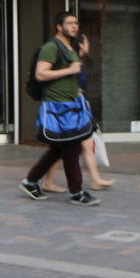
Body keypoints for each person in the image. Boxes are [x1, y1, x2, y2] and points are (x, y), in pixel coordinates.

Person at [20, 12, 100, 206]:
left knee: (60, 149)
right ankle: (77, 192)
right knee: (72, 148)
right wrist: (70, 70)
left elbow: (70, 71)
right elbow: (41, 74)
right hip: (58, 107)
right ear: (59, 26)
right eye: (70, 23)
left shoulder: (70, 48)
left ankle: (31, 181)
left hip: (72, 104)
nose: (75, 26)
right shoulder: (51, 47)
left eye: (76, 23)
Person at [41, 33, 115, 193]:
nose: (89, 44)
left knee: (85, 144)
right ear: (81, 45)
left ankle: (95, 179)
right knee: (60, 148)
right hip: (71, 110)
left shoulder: (77, 62)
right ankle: (47, 181)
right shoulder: (72, 64)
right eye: (87, 41)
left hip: (79, 108)